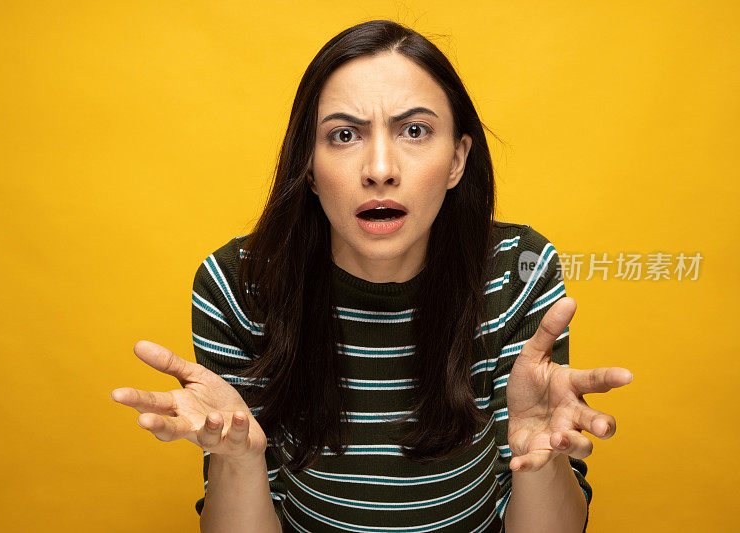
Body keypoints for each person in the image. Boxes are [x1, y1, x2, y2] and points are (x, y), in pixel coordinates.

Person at [110, 19, 633, 533]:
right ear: (308, 167)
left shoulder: (517, 271)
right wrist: (238, 459)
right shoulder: (240, 284)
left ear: (457, 160)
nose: (380, 168)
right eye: (343, 135)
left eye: (414, 131)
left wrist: (541, 456)